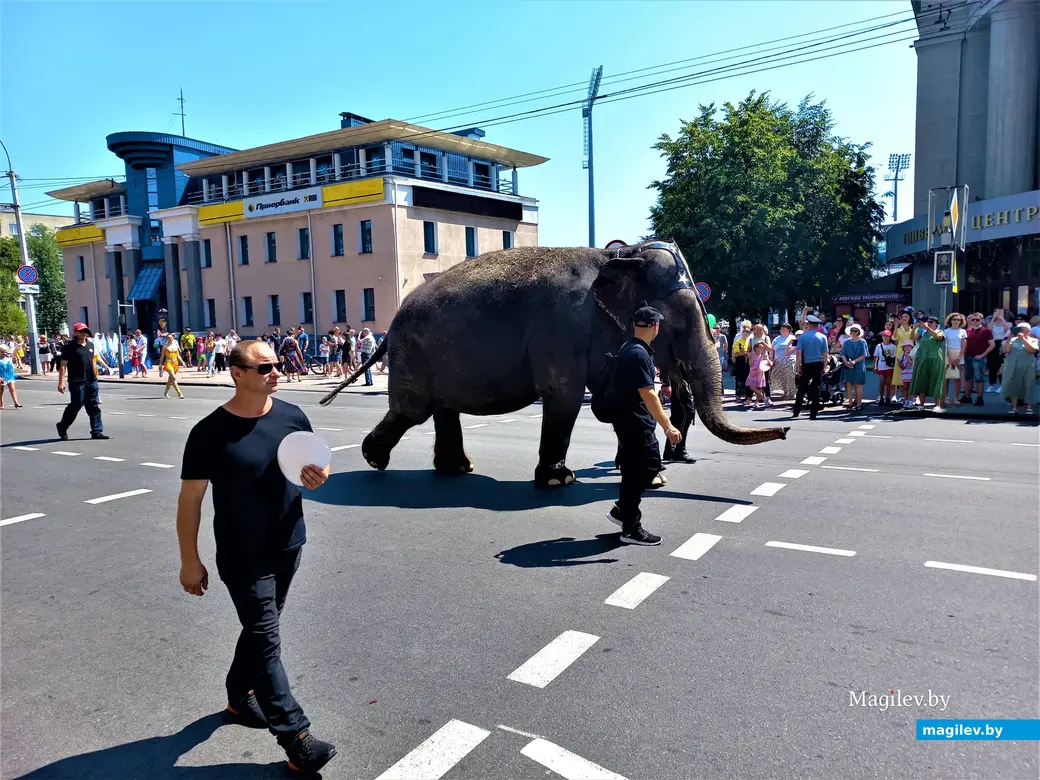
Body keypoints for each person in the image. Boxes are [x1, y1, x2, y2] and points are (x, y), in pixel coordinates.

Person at [176, 340, 338, 774]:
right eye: (264, 366)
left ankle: (237, 694)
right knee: (267, 641)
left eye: (276, 364)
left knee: (259, 630)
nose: (276, 371)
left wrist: (319, 476)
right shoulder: (209, 432)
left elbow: (317, 464)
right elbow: (190, 499)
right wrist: (189, 559)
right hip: (242, 554)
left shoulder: (292, 416)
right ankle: (297, 738)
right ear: (237, 373)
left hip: (289, 544)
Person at [606, 305, 682, 546]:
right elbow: (648, 394)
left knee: (640, 468)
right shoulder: (639, 354)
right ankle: (630, 527)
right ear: (655, 327)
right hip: (635, 422)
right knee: (641, 471)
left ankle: (622, 511)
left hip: (628, 420)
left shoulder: (629, 348)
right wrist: (668, 426)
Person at [56, 322, 109, 440]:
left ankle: (97, 431)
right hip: (77, 381)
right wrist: (61, 382)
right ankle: (62, 426)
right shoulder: (69, 347)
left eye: (85, 331)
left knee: (93, 405)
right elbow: (63, 365)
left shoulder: (90, 344)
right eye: (81, 331)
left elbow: (92, 361)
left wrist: (100, 371)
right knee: (76, 405)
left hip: (91, 380)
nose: (84, 333)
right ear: (75, 332)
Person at [792, 315, 829, 419]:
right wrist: (824, 367)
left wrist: (798, 366)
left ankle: (796, 412)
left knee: (802, 388)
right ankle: (813, 414)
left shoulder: (803, 337)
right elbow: (825, 354)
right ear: (817, 326)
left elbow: (799, 353)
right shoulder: (822, 337)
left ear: (809, 325)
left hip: (806, 364)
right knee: (816, 387)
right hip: (817, 364)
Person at [909, 315, 947, 410]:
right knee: (922, 381)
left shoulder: (940, 331)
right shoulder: (923, 333)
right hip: (922, 359)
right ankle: (921, 404)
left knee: (936, 381)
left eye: (931, 322)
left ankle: (937, 405)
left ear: (936, 324)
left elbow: (938, 337)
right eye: (928, 322)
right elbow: (912, 337)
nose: (928, 323)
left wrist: (927, 328)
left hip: (935, 359)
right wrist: (914, 328)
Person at [1001, 323, 1038, 414]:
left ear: (1028, 330)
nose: (1020, 330)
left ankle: (1029, 406)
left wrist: (1024, 339)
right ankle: (1014, 407)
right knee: (1014, 385)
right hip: (1014, 364)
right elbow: (1006, 350)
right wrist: (1009, 339)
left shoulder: (1033, 340)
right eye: (1019, 328)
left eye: (1022, 328)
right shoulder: (1013, 340)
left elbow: (1032, 350)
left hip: (1028, 365)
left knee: (1028, 384)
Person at [662, 373, 696, 464]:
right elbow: (665, 365)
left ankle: (670, 449)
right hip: (678, 380)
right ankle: (679, 450)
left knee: (678, 415)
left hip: (680, 379)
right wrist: (666, 383)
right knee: (686, 413)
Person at [839, 323, 869, 411]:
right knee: (849, 384)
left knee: (858, 385)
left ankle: (859, 403)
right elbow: (842, 354)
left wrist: (854, 361)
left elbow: (864, 355)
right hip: (848, 365)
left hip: (859, 365)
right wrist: (846, 362)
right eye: (852, 330)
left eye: (855, 331)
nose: (853, 332)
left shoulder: (862, 342)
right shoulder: (847, 342)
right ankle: (850, 403)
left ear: (858, 332)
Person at [942, 313, 968, 405]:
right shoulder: (946, 331)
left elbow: (964, 345)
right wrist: (949, 357)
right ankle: (946, 398)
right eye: (954, 319)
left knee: (957, 377)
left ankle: (956, 398)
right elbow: (945, 344)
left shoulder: (963, 331)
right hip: (947, 353)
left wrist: (959, 357)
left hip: (958, 353)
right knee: (946, 378)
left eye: (958, 320)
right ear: (950, 320)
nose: (956, 321)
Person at [770, 323, 797, 400]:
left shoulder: (793, 338)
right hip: (778, 361)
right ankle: (785, 392)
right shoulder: (776, 339)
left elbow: (795, 348)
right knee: (782, 377)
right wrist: (771, 358)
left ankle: (792, 393)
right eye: (781, 329)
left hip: (789, 360)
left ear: (789, 330)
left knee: (790, 377)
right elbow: (771, 349)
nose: (782, 330)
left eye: (784, 329)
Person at [873, 330, 896, 405]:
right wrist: (875, 366)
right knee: (881, 382)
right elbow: (876, 357)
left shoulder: (893, 346)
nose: (885, 337)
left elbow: (894, 357)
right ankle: (881, 397)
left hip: (889, 366)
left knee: (888, 382)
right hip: (881, 365)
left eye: (887, 336)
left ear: (890, 337)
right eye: (884, 336)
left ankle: (888, 397)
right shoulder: (879, 346)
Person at [162, 333, 185, 399]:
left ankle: (165, 393)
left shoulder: (175, 345)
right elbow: (162, 356)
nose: (169, 339)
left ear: (173, 338)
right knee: (174, 378)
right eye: (168, 338)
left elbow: (178, 356)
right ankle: (180, 393)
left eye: (171, 338)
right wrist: (160, 364)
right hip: (168, 362)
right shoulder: (165, 346)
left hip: (175, 363)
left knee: (170, 379)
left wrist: (182, 362)